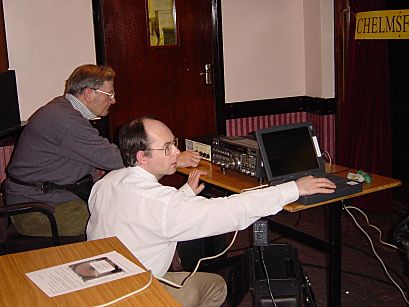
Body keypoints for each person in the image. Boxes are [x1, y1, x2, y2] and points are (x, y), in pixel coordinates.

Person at [86, 116, 336, 306]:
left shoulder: (108, 182)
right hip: (134, 295)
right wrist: (293, 188)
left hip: (100, 283)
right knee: (217, 285)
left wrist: (184, 194)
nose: (176, 152)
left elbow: (149, 216)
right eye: (167, 148)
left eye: (174, 143)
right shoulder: (164, 205)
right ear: (142, 157)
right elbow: (231, 210)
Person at [4, 64, 200, 237]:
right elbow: (116, 158)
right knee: (124, 220)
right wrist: (173, 157)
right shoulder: (65, 122)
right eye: (110, 94)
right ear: (90, 94)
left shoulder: (63, 110)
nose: (113, 100)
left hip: (46, 199)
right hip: (38, 210)